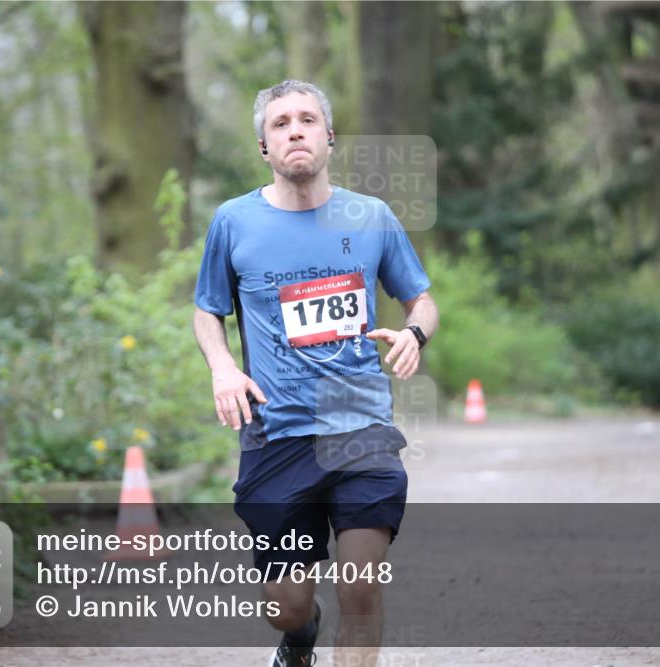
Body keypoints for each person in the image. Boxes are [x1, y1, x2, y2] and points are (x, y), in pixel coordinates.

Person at [193, 79, 438, 667]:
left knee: (361, 589)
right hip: (276, 437)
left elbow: (421, 300)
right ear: (263, 145)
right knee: (286, 606)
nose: (295, 130)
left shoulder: (371, 216)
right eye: (280, 123)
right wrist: (223, 368)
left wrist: (413, 334)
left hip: (362, 433)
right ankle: (299, 639)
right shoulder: (234, 222)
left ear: (328, 137)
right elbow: (208, 309)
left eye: (307, 120)